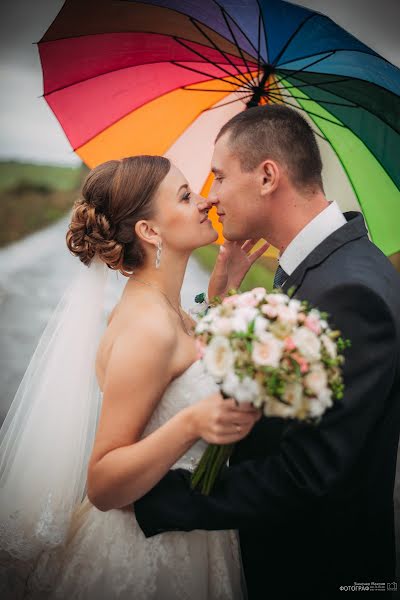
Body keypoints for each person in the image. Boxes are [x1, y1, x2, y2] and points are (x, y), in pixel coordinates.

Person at [134, 105, 400, 598]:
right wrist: (223, 301)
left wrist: (161, 501)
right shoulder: (323, 266)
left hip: (319, 573)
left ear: (267, 176)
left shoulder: (350, 292)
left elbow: (308, 470)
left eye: (219, 176)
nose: (211, 197)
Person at [0, 155, 266, 599]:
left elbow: (180, 374)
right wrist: (192, 424)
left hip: (184, 532)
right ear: (150, 230)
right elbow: (103, 483)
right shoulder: (149, 328)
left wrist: (221, 293)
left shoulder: (166, 308)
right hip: (147, 555)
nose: (205, 202)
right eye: (185, 196)